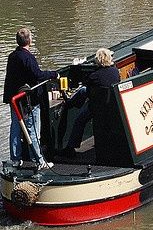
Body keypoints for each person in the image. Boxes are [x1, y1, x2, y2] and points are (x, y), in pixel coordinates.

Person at [3, 27, 59, 169]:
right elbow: (38, 75)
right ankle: (39, 161)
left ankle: (15, 159)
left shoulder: (12, 56)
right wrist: (53, 74)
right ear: (29, 41)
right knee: (33, 129)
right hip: (29, 100)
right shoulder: (28, 57)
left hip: (15, 99)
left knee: (15, 128)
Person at [60, 48, 119, 157]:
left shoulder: (94, 76)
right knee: (85, 92)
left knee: (79, 120)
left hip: (96, 108)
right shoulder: (115, 72)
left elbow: (88, 88)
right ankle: (71, 102)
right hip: (111, 106)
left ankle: (71, 147)